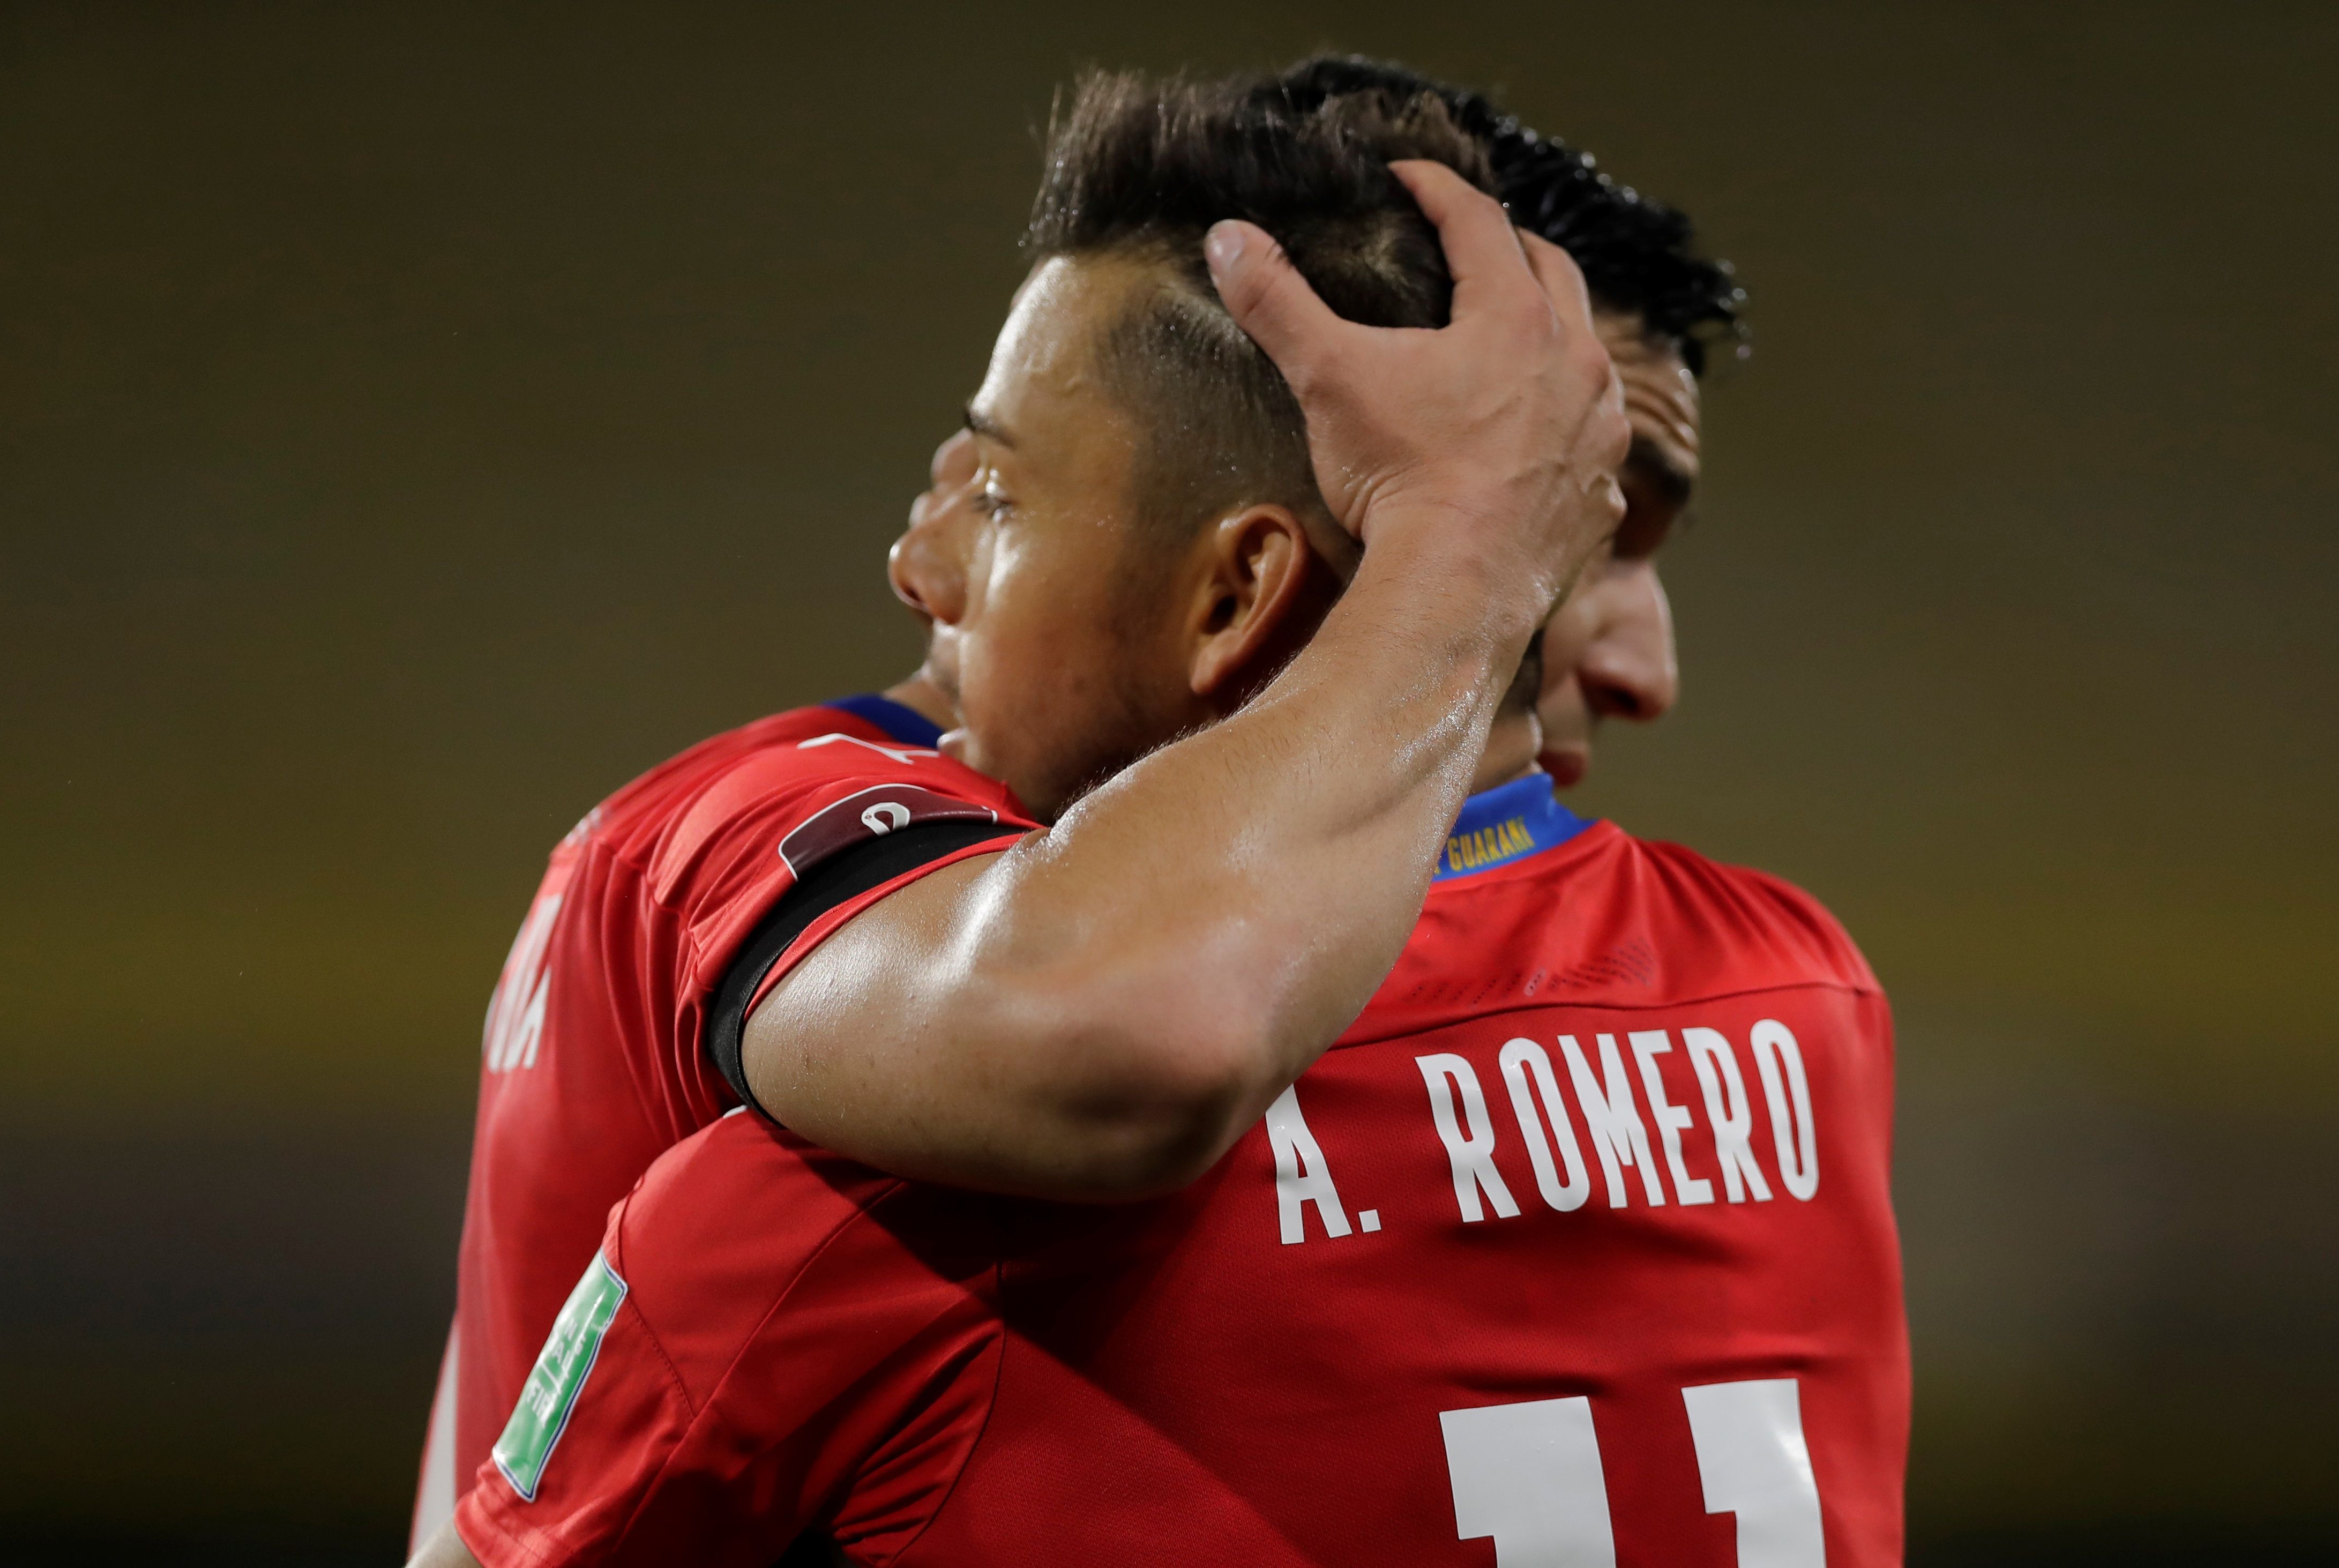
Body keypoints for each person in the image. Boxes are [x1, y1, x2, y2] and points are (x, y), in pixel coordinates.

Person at [417, 68, 1905, 1568]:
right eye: (1573, 511)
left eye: (1580, 522)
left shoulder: (873, 1191)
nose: (917, 563)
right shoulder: (1801, 996)